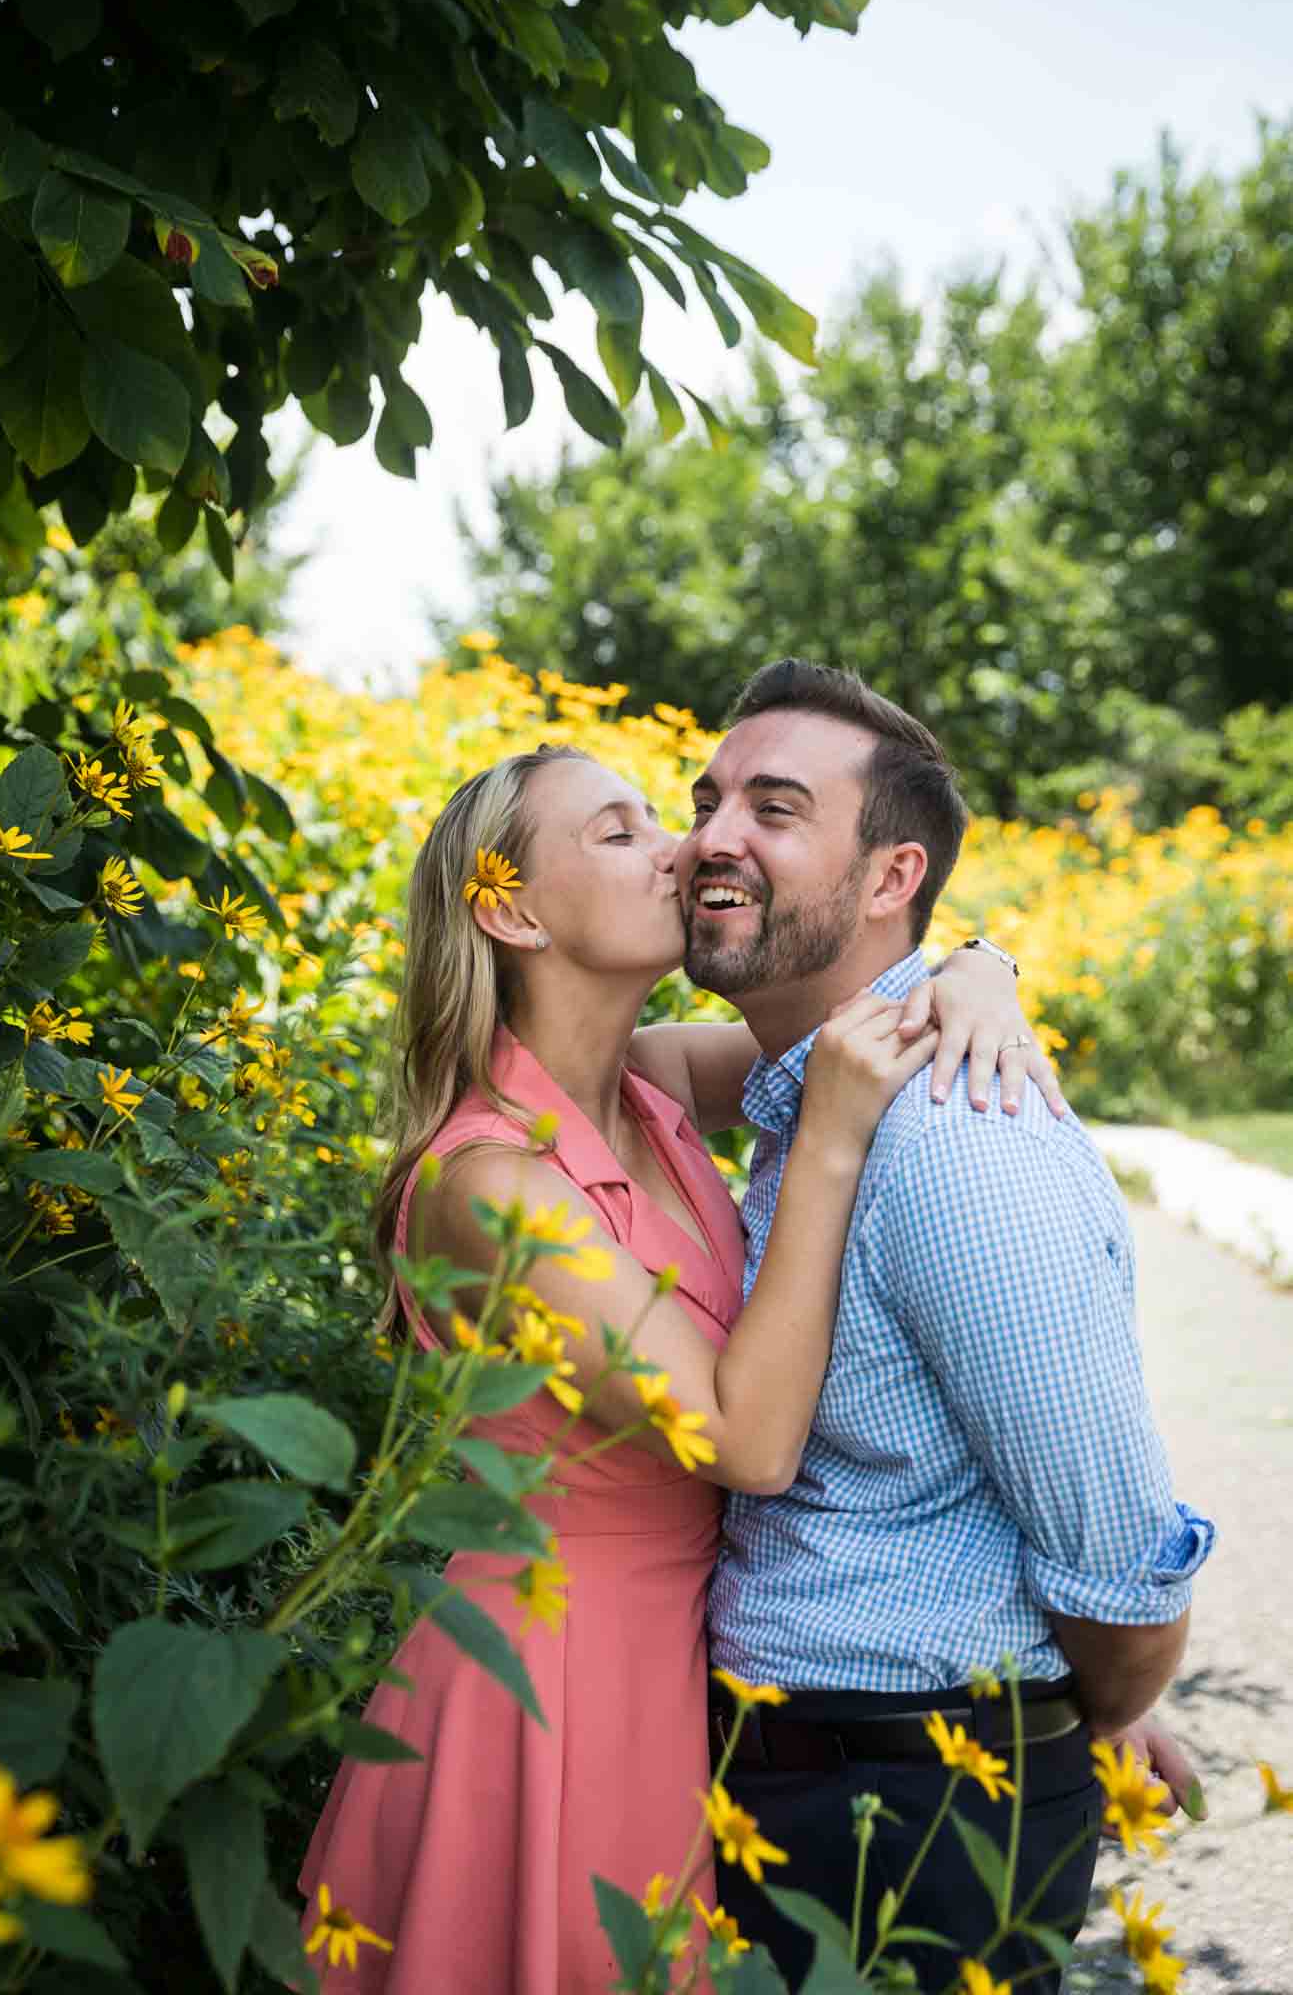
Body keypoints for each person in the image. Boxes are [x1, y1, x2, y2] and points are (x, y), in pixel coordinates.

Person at [297, 742, 1054, 1994]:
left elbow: (844, 1018)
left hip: (675, 1658)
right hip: (548, 1684)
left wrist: (981, 968)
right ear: (510, 908)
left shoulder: (643, 1086)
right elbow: (743, 1438)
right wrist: (824, 1144)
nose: (683, 847)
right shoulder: (491, 1183)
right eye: (617, 831)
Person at [668, 660, 1215, 1993]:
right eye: (708, 797)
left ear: (887, 876)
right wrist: (980, 957)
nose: (711, 836)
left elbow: (1119, 1557)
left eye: (775, 808)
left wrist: (1081, 1722)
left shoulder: (961, 1141)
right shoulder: (802, 1092)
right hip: (787, 1785)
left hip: (906, 1811)